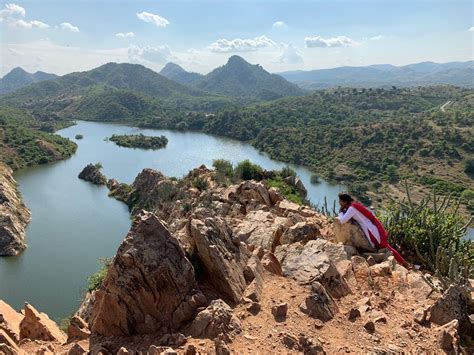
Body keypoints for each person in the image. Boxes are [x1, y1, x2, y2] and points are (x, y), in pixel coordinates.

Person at [337, 193, 407, 266]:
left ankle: (404, 263)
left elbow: (342, 220)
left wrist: (341, 212)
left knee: (386, 247)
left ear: (345, 202)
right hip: (370, 228)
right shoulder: (353, 205)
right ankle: (402, 262)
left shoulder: (352, 208)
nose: (339, 202)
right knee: (385, 248)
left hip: (370, 231)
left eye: (340, 201)